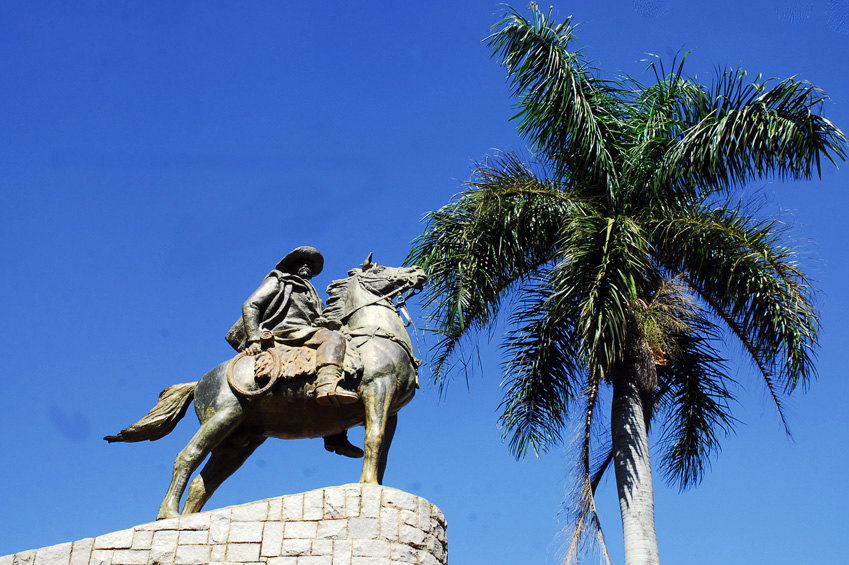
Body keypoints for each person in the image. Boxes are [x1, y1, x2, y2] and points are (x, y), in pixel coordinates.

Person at [226, 246, 363, 458]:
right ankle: (327, 385)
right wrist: (254, 338)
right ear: (291, 265)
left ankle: (335, 435)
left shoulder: (312, 293)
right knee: (333, 339)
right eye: (302, 262)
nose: (306, 266)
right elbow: (251, 305)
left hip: (306, 333)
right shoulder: (278, 280)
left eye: (310, 264)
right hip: (286, 332)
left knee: (343, 348)